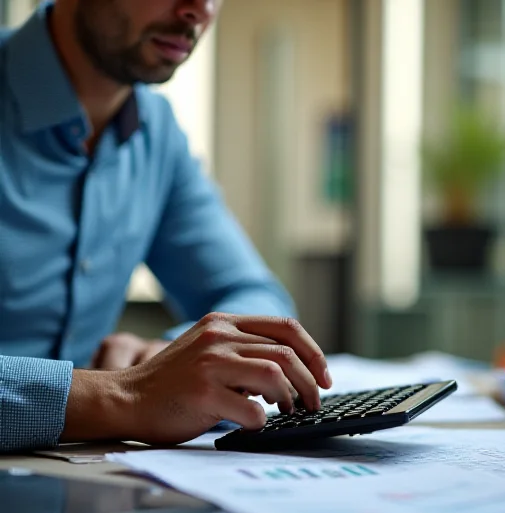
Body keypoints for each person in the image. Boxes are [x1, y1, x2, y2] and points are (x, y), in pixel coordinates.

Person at [0, 0, 331, 453]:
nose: (199, 10)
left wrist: (172, 357)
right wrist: (123, 396)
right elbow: (128, 394)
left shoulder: (157, 134)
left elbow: (255, 296)